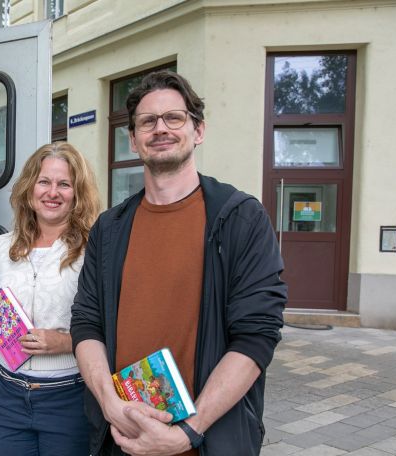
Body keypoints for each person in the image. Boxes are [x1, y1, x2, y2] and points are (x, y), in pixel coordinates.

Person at [70, 70, 287, 456]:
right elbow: (87, 323)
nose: (161, 129)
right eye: (148, 121)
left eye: (174, 117)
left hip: (207, 442)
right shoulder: (110, 228)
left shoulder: (241, 218)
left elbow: (256, 336)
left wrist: (189, 430)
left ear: (198, 130)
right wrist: (108, 403)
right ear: (133, 140)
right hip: (120, 439)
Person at [0, 142, 101, 455]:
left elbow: (110, 326)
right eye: (44, 182)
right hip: (7, 394)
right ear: (29, 188)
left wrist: (65, 343)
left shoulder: (94, 249)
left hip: (68, 397)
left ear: (77, 194)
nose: (53, 192)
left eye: (64, 184)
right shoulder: (2, 247)